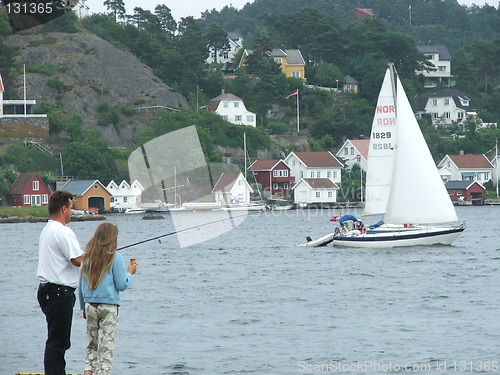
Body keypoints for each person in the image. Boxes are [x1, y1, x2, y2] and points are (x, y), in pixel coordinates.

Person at [79, 222, 138, 375]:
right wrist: (130, 273)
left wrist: (82, 308)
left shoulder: (86, 257)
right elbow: (121, 284)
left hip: (90, 306)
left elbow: (81, 285)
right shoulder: (116, 257)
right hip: (109, 307)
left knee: (92, 347)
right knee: (106, 351)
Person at [37, 190, 83, 375]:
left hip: (47, 292)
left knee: (55, 340)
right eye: (71, 207)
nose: (72, 212)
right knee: (59, 342)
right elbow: (77, 260)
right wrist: (97, 256)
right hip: (58, 293)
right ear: (64, 209)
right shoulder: (63, 232)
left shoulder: (48, 229)